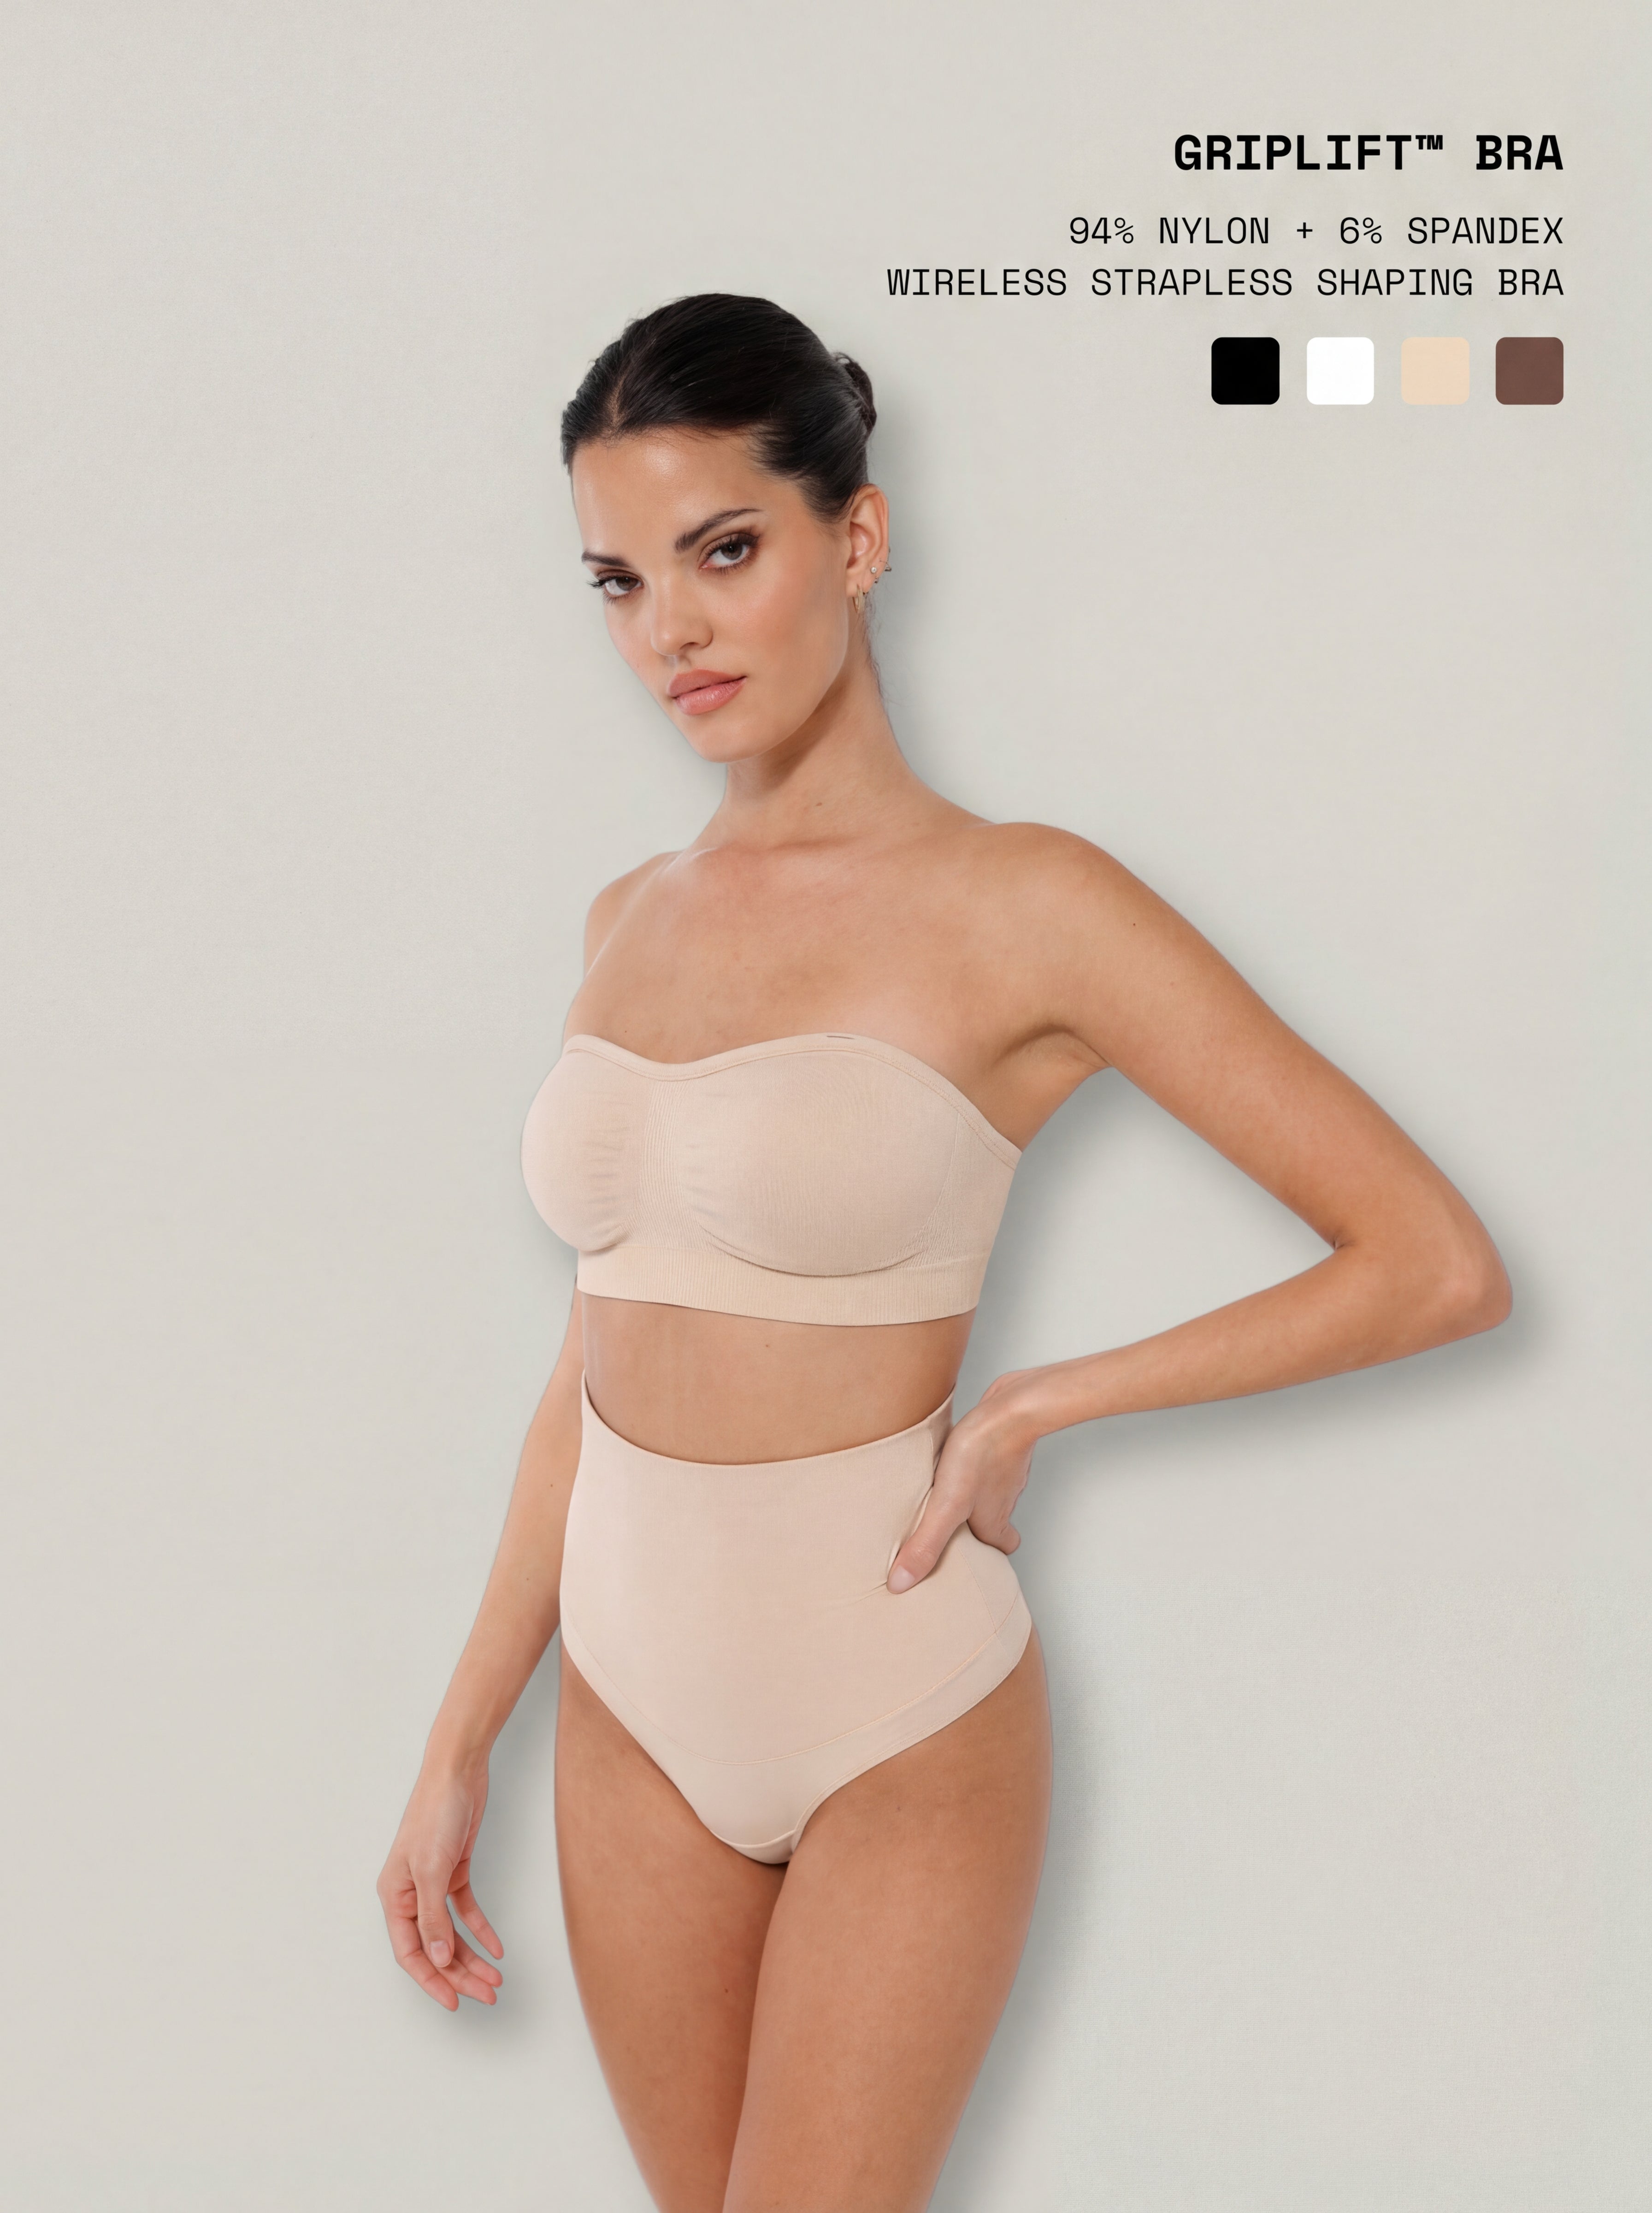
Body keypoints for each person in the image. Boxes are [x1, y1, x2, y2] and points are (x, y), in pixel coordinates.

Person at [377, 292, 1511, 2213]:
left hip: (891, 1702)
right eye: (619, 581)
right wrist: (460, 1735)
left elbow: (1427, 1260)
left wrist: (1039, 1407)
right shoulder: (624, 919)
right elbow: (589, 1366)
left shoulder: (1025, 905)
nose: (669, 631)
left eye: (723, 551)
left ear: (859, 536)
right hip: (625, 1713)